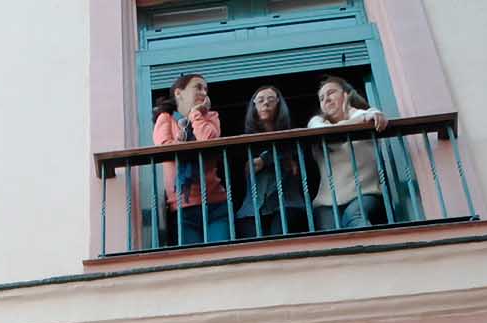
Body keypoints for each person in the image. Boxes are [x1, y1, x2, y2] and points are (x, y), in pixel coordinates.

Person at [306, 74, 391, 231]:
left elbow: (368, 115)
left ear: (346, 94)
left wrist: (360, 113)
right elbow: (325, 132)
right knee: (331, 237)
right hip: (327, 202)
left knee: (354, 216)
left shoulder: (365, 115)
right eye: (322, 97)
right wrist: (360, 120)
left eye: (331, 93)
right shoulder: (316, 122)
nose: (326, 99)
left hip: (365, 193)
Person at [153, 73, 230, 246]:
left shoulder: (211, 117)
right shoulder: (166, 119)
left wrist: (196, 114)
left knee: (221, 258)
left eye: (205, 89)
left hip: (216, 203)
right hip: (183, 208)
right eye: (198, 87)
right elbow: (165, 147)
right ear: (179, 93)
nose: (203, 92)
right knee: (194, 263)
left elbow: (208, 139)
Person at [237, 85, 311, 238]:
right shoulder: (246, 141)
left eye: (271, 99)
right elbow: (246, 169)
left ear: (279, 103)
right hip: (252, 210)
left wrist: (264, 160)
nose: (266, 103)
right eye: (261, 100)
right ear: (254, 105)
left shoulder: (292, 137)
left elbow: (297, 164)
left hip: (287, 204)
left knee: (280, 238)